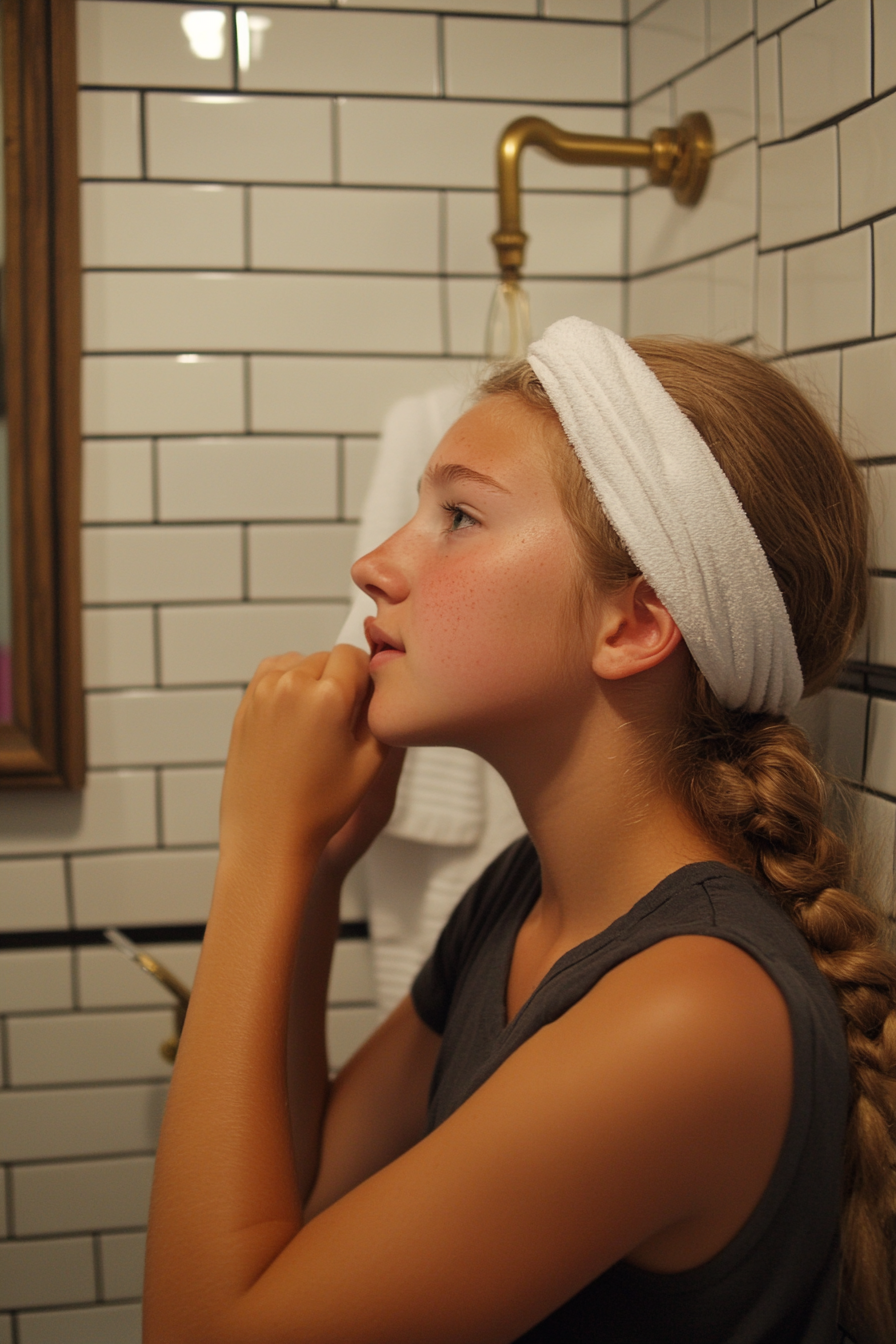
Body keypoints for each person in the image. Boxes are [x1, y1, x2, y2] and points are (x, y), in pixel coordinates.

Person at [143, 319, 896, 1344]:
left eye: (456, 515)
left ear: (631, 625)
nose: (373, 564)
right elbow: (308, 1199)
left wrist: (256, 857)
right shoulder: (521, 894)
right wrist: (315, 870)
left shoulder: (691, 1012)